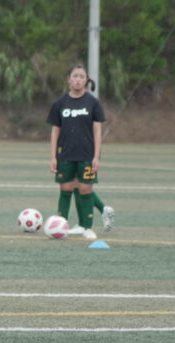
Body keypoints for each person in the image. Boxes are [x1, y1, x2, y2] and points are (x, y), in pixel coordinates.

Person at [47, 64, 115, 239]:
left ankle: (87, 227)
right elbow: (55, 131)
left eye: (81, 77)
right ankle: (60, 226)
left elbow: (97, 131)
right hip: (65, 154)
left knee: (85, 189)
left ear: (86, 81)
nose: (78, 80)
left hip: (86, 154)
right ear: (69, 79)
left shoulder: (93, 103)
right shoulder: (60, 103)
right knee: (66, 188)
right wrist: (53, 156)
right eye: (75, 76)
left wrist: (96, 156)